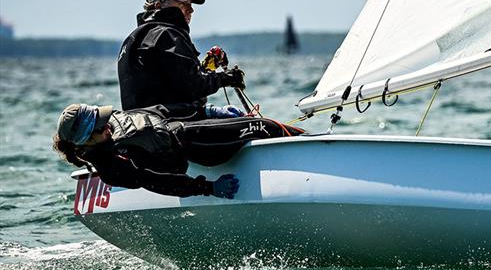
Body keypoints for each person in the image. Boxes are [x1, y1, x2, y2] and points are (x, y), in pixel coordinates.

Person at [53, 102, 304, 199]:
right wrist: (208, 188)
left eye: (103, 118)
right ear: (86, 141)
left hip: (188, 126)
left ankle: (317, 142)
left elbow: (158, 111)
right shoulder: (113, 166)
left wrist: (208, 111)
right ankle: (314, 152)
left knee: (265, 125)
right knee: (265, 127)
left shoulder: (112, 125)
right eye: (100, 127)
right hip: (197, 146)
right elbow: (157, 182)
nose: (107, 124)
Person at [117, 0, 245, 110]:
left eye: (190, 3)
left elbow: (172, 81)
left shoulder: (133, 39)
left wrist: (205, 69)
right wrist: (226, 78)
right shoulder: (167, 34)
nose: (191, 10)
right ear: (159, 6)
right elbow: (192, 85)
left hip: (144, 122)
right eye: (183, 4)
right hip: (171, 121)